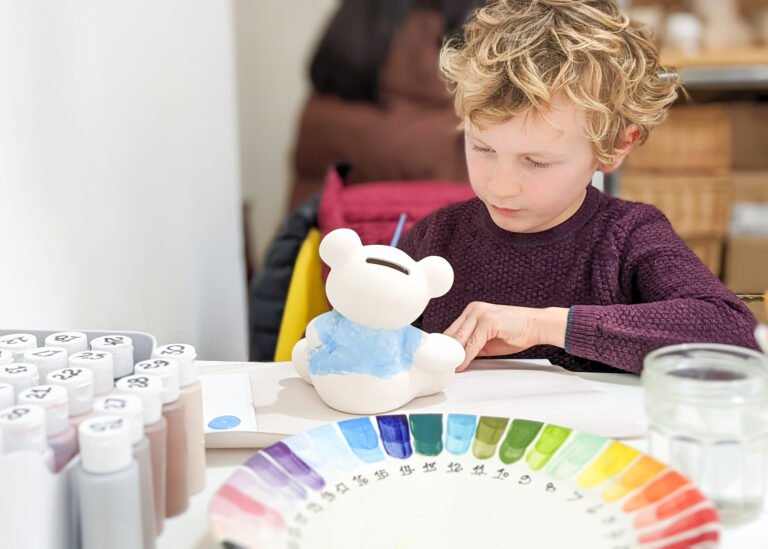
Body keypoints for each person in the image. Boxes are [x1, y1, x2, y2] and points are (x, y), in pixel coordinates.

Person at [398, 0, 759, 374]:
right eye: (482, 148)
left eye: (536, 162)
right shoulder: (434, 238)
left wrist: (545, 327)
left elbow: (737, 335)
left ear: (617, 145)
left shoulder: (629, 237)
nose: (500, 187)